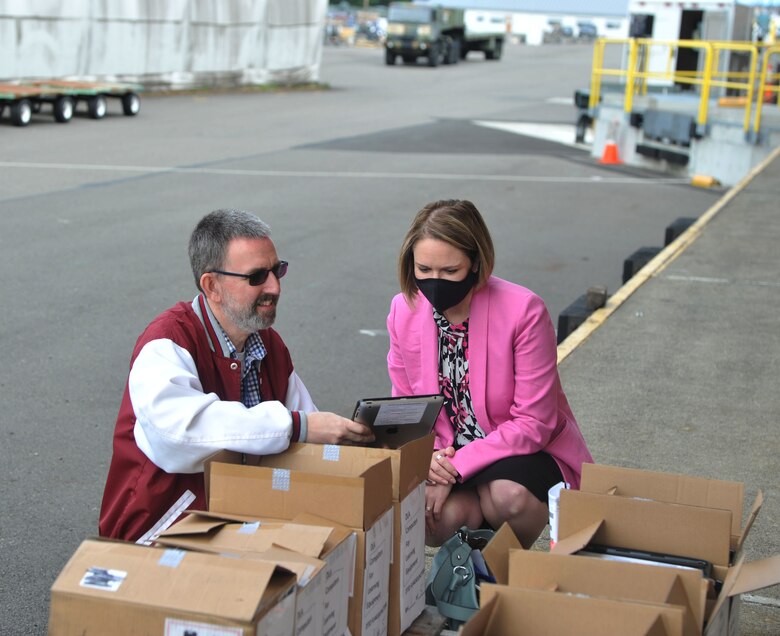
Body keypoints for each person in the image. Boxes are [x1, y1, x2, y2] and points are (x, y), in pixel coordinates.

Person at [100, 209, 373, 543]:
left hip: (235, 522)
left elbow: (308, 428)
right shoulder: (167, 342)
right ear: (212, 286)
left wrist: (367, 446)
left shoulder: (266, 343)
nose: (275, 287)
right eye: (257, 277)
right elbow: (178, 435)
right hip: (158, 533)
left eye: (277, 270)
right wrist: (297, 426)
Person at [386, 199, 593, 548]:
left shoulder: (524, 310)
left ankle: (497, 571)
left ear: (477, 262)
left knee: (507, 498)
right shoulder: (402, 310)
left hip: (522, 451)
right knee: (428, 519)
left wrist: (458, 467)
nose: (435, 282)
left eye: (450, 272)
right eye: (424, 269)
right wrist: (433, 463)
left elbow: (533, 423)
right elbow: (408, 408)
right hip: (449, 453)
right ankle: (471, 563)